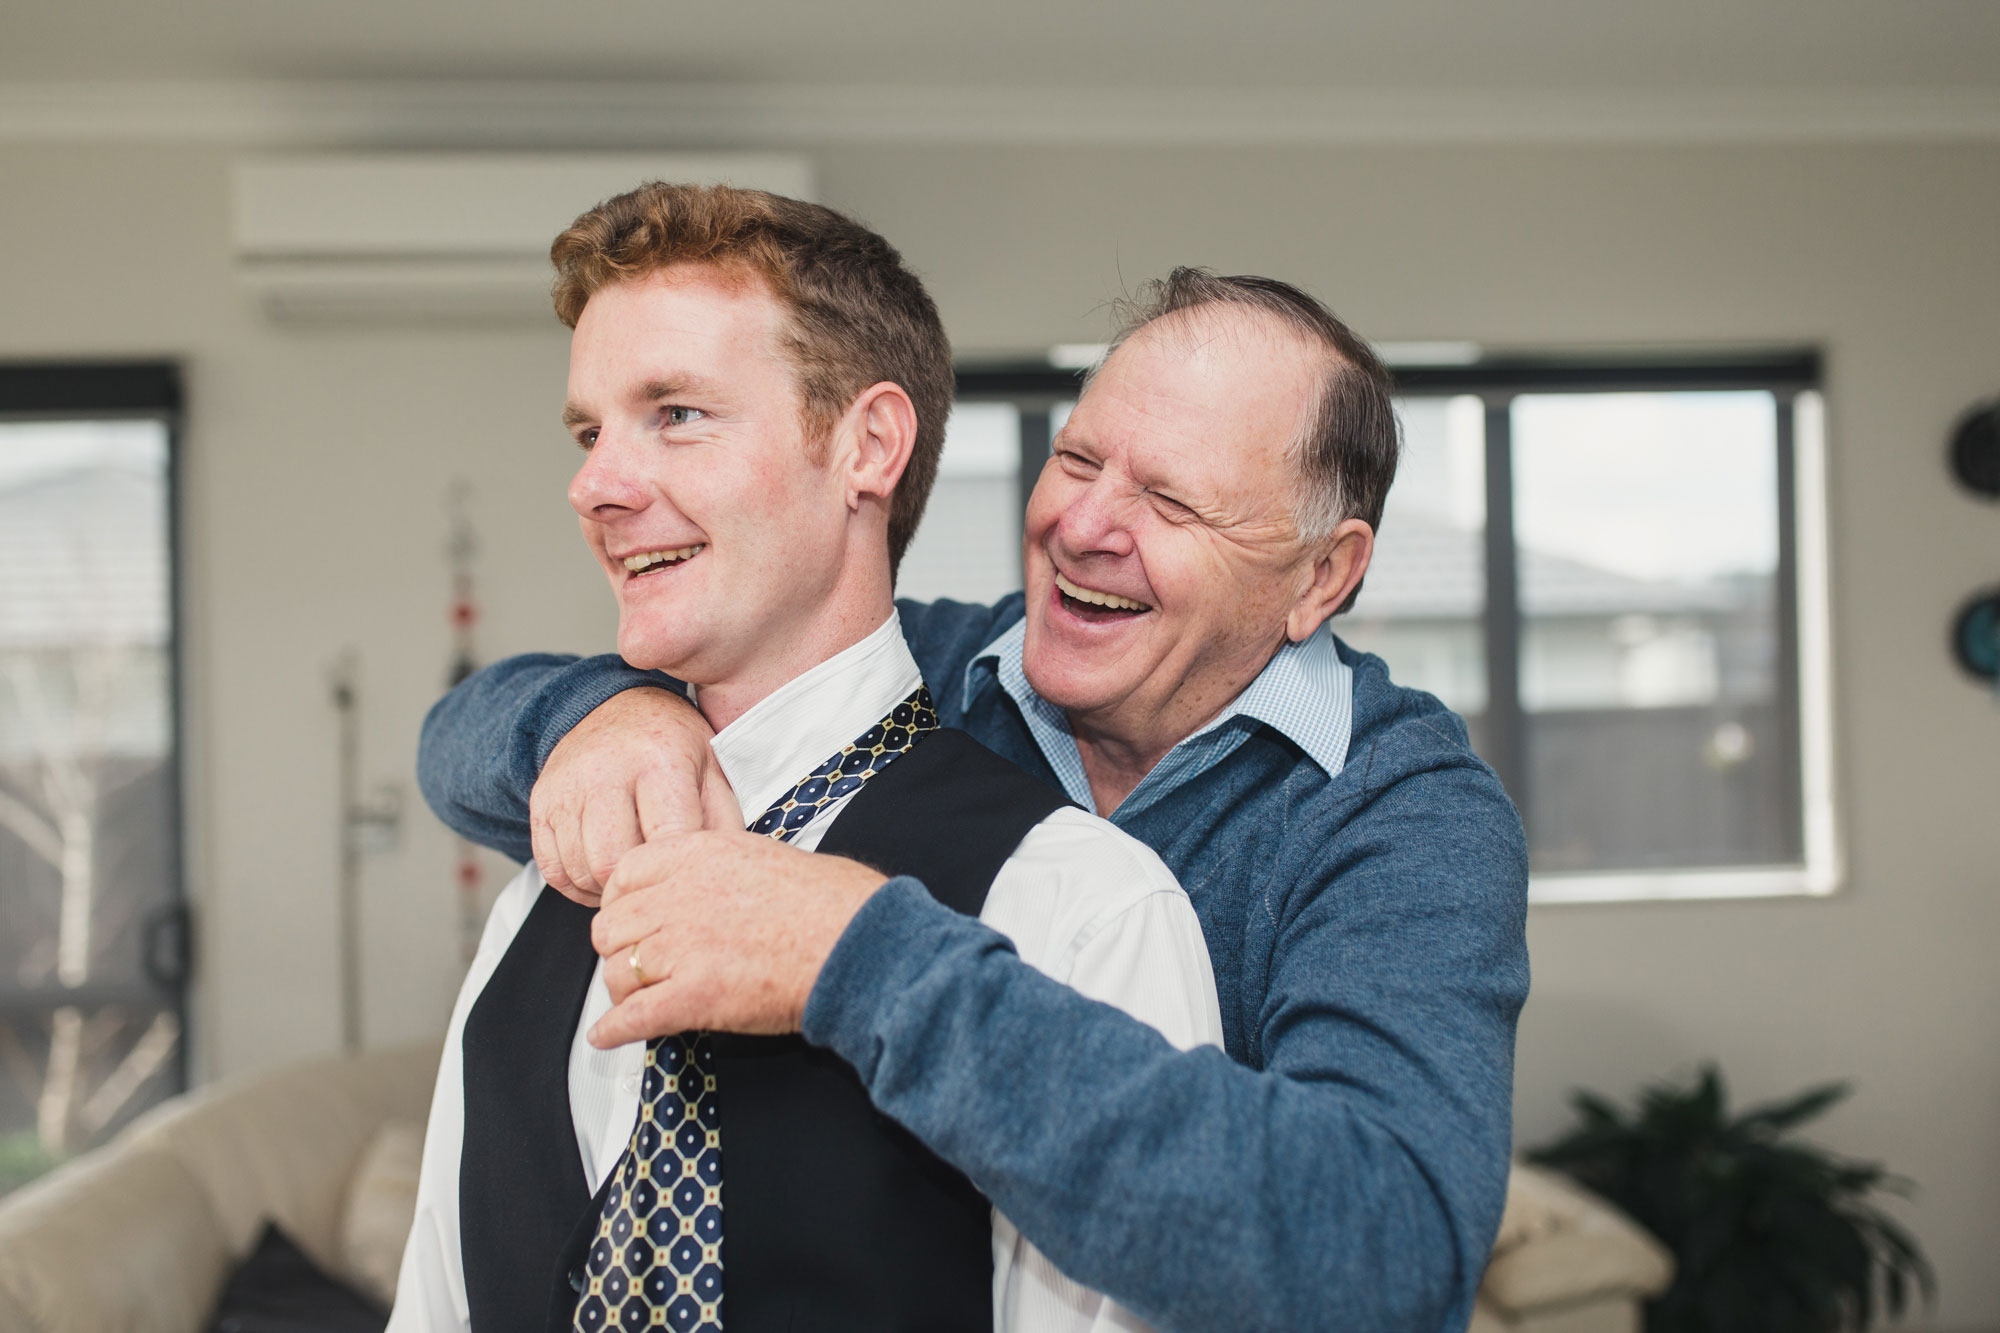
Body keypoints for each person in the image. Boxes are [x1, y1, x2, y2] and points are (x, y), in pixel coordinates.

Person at [421, 269, 1533, 1331]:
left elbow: (1386, 1261)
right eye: (1078, 458)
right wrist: (603, 713)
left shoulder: (1398, 813)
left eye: (1170, 501)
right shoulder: (944, 670)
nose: (1083, 525)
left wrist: (852, 955)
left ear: (1319, 578)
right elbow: (456, 747)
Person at [390, 183, 1222, 1333]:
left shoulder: (1078, 912)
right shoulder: (543, 885)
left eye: (675, 412)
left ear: (867, 444)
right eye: (591, 433)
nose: (595, 486)